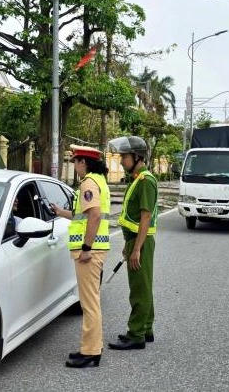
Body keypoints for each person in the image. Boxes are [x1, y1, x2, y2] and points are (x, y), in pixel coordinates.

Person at [49, 145, 111, 368]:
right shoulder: (99, 180)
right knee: (91, 301)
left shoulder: (88, 183)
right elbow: (82, 216)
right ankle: (94, 346)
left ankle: (90, 352)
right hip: (97, 249)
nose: (73, 165)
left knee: (89, 303)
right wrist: (60, 212)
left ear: (84, 162)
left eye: (75, 161)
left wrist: (86, 248)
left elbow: (94, 216)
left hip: (90, 252)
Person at [106, 136, 158, 350]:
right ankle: (146, 329)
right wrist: (129, 245)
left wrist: (136, 248)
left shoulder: (145, 181)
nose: (121, 162)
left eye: (124, 157)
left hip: (141, 242)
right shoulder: (137, 179)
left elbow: (146, 216)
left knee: (139, 289)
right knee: (143, 286)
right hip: (135, 240)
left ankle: (135, 335)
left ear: (137, 157)